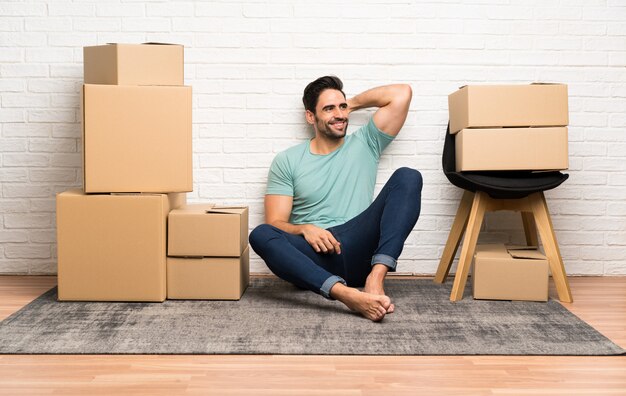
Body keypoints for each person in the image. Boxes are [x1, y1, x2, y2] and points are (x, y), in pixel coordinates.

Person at [249, 76, 422, 322]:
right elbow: (275, 222)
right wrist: (305, 229)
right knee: (261, 234)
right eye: (328, 108)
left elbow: (401, 93)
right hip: (315, 258)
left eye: (341, 107)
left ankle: (376, 278)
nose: (339, 114)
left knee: (408, 176)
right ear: (311, 116)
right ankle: (346, 295)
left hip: (361, 247)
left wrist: (349, 103)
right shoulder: (288, 160)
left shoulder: (366, 142)